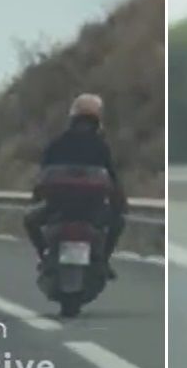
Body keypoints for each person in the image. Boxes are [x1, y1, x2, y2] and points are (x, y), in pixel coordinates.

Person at [23, 94, 127, 278]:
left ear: (72, 118)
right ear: (98, 121)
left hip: (58, 208)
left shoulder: (57, 144)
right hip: (92, 210)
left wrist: (37, 196)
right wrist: (119, 203)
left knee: (30, 221)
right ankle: (103, 261)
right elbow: (113, 179)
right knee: (117, 222)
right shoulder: (101, 146)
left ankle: (44, 255)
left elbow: (42, 176)